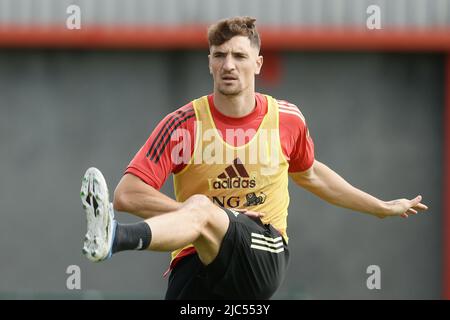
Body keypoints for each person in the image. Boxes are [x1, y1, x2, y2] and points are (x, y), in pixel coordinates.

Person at [80, 16, 428, 300]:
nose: (228, 65)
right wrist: (209, 216)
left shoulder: (287, 120)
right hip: (196, 260)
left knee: (202, 208)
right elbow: (127, 194)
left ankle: (115, 239)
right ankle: (138, 232)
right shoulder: (182, 124)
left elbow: (312, 175)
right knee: (201, 213)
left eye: (239, 56)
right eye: (219, 55)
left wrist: (380, 207)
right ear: (209, 63)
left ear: (258, 63)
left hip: (263, 252)